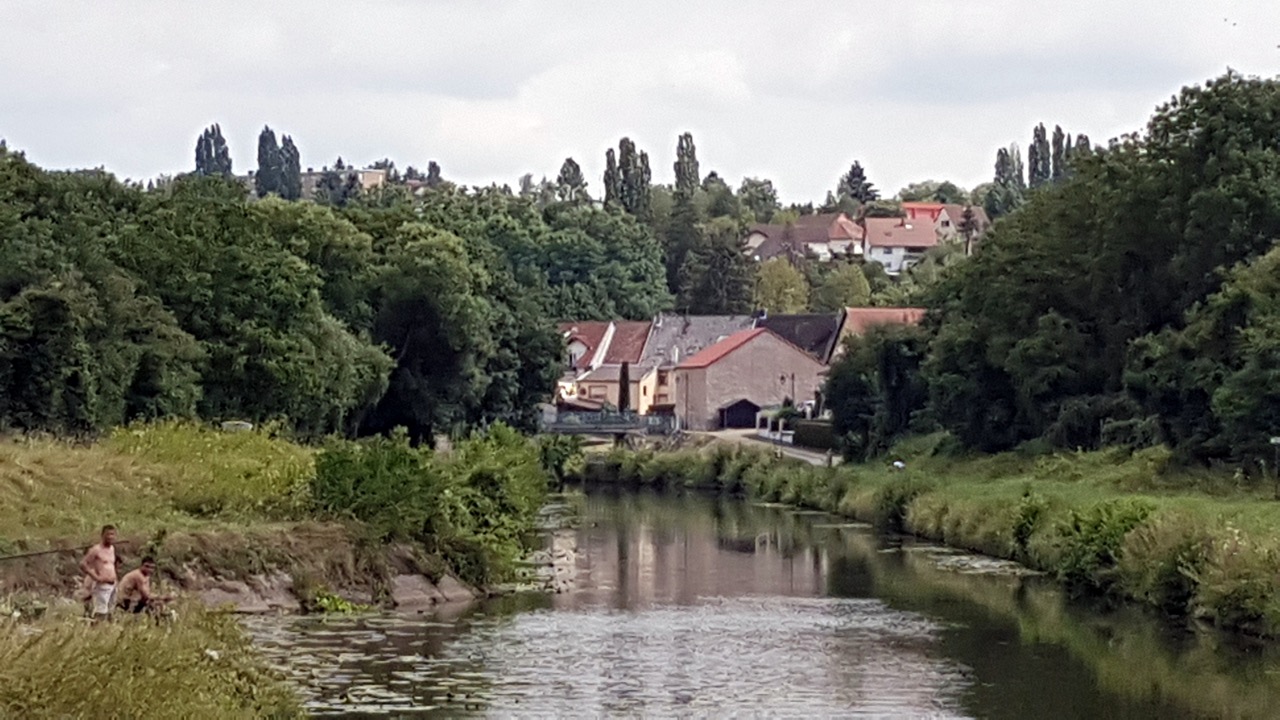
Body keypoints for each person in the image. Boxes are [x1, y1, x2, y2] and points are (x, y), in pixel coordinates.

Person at [80, 525, 118, 620]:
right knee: (101, 610)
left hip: (112, 584)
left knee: (110, 610)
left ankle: (106, 631)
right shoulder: (96, 550)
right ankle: (97, 629)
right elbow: (83, 564)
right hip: (102, 584)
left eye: (112, 534)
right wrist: (96, 577)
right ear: (102, 535)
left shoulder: (112, 548)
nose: (110, 537)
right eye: (108, 534)